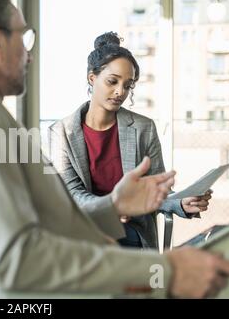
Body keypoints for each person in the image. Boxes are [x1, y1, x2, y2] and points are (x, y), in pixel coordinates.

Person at [0, 0, 229, 298]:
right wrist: (166, 271)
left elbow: (41, 220)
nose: (30, 55)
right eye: (24, 38)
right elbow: (18, 261)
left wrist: (115, 206)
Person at [49, 32, 212, 249]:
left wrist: (181, 203)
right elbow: (72, 195)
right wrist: (113, 207)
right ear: (92, 78)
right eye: (112, 82)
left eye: (128, 85)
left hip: (132, 234)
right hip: (86, 231)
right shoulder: (61, 133)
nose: (120, 92)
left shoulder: (143, 128)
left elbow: (156, 189)